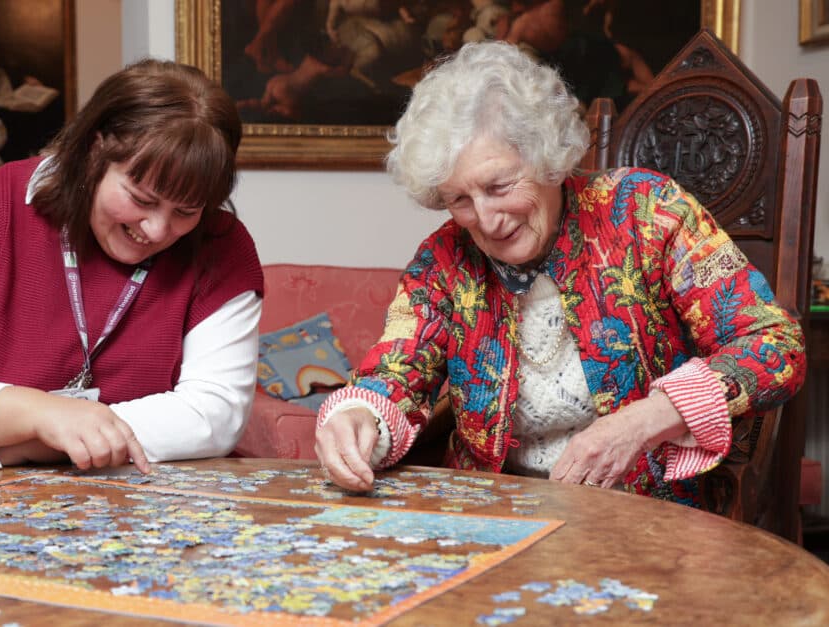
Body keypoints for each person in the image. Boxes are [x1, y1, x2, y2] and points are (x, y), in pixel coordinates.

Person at [314, 41, 806, 507]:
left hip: (640, 512)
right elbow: (395, 372)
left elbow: (775, 345)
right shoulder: (444, 259)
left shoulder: (645, 212)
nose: (486, 220)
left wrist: (646, 420)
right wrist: (358, 416)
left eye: (499, 186)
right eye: (459, 199)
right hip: (491, 514)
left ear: (546, 157)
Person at [0, 59, 264, 478]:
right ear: (94, 151)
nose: (158, 229)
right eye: (141, 199)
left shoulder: (223, 245)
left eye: (186, 211)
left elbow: (216, 412)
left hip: (130, 504)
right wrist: (41, 415)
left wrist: (34, 447)